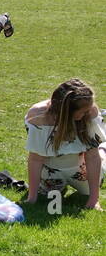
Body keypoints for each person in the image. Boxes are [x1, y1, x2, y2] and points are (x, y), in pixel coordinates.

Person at [23, 79, 104, 209]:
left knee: (90, 187)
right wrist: (32, 198)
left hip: (80, 164)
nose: (87, 113)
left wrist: (94, 200)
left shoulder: (90, 112)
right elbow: (36, 159)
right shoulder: (39, 117)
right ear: (67, 111)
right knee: (47, 193)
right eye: (83, 111)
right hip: (51, 167)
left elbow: (92, 156)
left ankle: (104, 151)